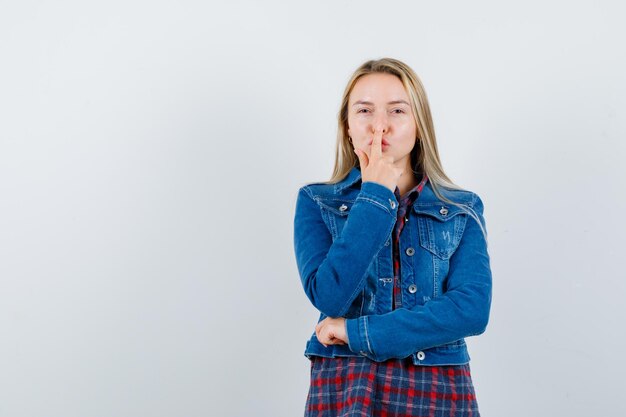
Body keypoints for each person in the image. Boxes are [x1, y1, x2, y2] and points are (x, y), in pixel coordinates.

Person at [293, 57, 492, 416]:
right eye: (365, 111)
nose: (379, 126)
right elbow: (330, 296)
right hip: (347, 387)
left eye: (397, 111)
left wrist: (358, 333)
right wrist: (374, 197)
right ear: (348, 126)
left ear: (419, 124)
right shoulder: (317, 201)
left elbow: (471, 311)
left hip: (438, 389)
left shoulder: (462, 208)